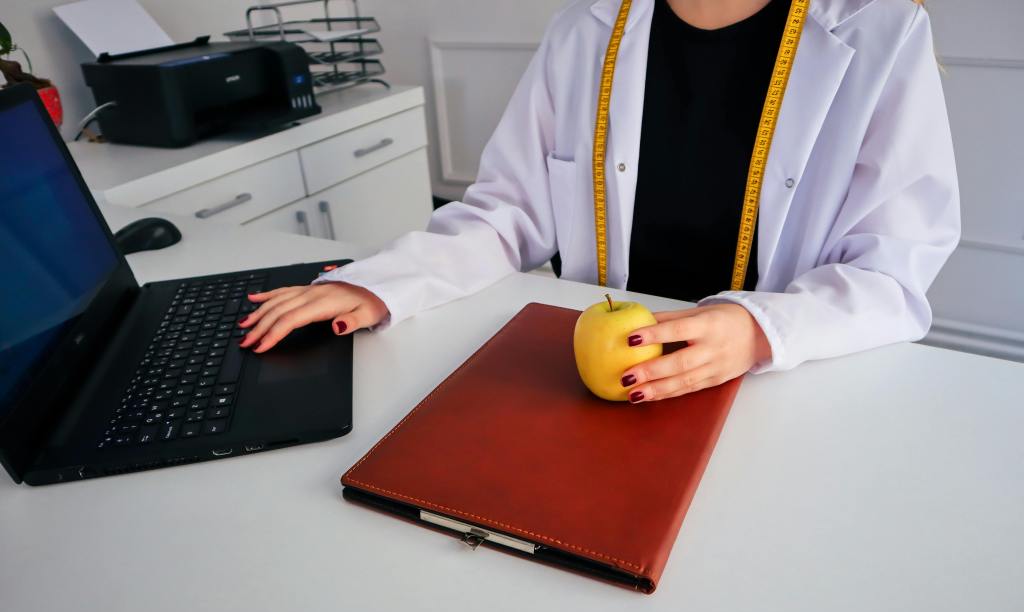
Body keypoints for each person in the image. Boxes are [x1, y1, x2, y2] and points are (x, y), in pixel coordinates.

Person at [239, 0, 960, 403]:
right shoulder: (587, 29)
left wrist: (755, 329)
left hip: (778, 386)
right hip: (595, 384)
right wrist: (380, 283)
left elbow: (892, 273)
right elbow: (507, 212)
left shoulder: (882, 29)